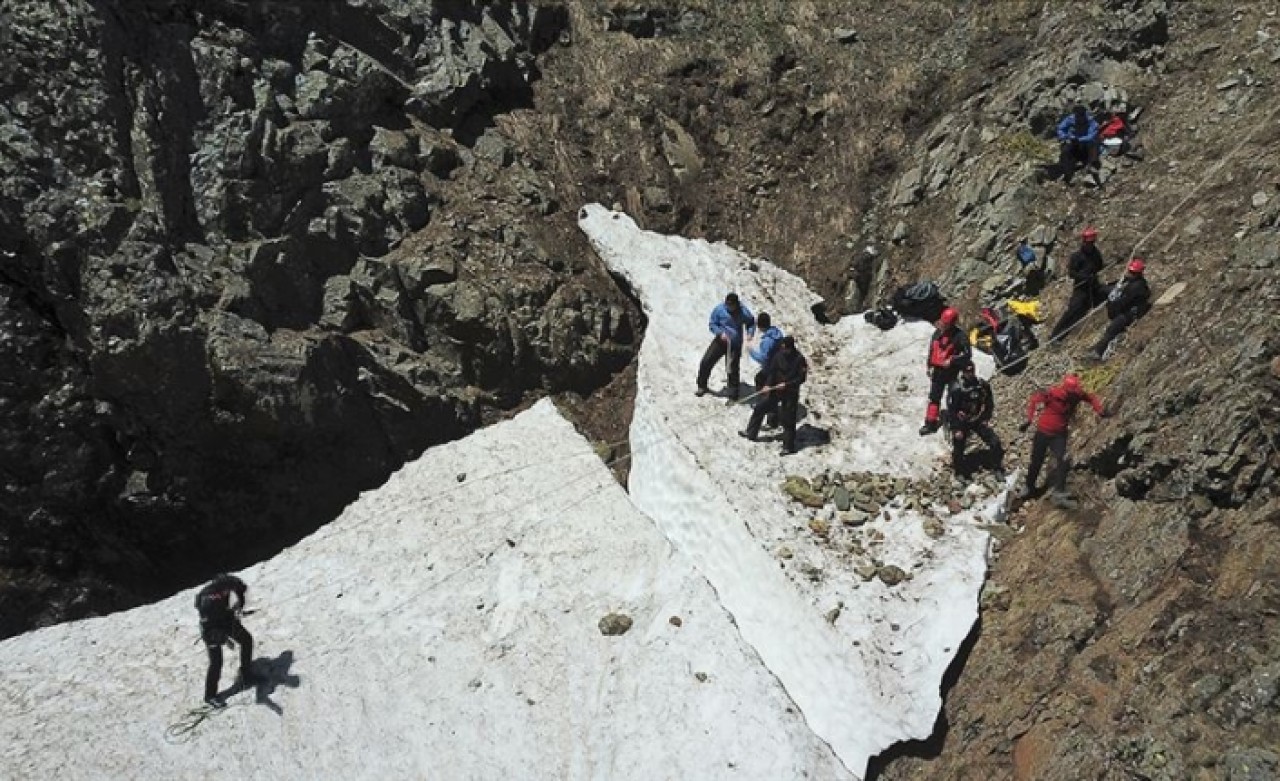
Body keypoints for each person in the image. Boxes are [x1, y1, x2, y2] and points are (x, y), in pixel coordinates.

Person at [1018, 373, 1106, 508]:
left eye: (1074, 391)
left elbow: (1090, 398)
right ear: (1065, 388)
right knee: (1036, 461)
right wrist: (1028, 420)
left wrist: (1099, 410)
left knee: (1062, 460)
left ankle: (1058, 493)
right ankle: (1029, 487)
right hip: (1043, 432)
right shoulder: (1053, 393)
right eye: (1070, 391)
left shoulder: (1076, 394)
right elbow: (1034, 400)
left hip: (1059, 435)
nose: (1072, 394)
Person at [196, 572, 259, 708]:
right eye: (223, 592)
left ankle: (246, 674)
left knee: (246, 640)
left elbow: (241, 588)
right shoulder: (206, 600)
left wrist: (240, 605)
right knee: (216, 662)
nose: (225, 593)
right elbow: (209, 627)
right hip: (211, 628)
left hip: (226, 618)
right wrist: (225, 639)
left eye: (227, 590)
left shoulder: (230, 582)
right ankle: (210, 696)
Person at [739, 336, 808, 455]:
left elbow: (801, 378)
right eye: (782, 348)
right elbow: (772, 372)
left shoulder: (799, 359)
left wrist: (787, 384)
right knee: (760, 408)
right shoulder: (778, 356)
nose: (784, 350)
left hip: (790, 393)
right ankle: (751, 432)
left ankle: (788, 447)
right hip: (776, 389)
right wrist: (767, 384)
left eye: (786, 349)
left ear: (791, 348)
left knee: (788, 419)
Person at [945, 358, 1003, 477]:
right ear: (963, 372)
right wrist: (956, 429)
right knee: (959, 445)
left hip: (977, 418)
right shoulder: (957, 388)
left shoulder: (982, 385)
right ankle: (959, 472)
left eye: (972, 371)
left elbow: (989, 403)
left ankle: (997, 468)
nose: (970, 374)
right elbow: (951, 411)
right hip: (962, 421)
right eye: (967, 372)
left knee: (995, 441)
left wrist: (986, 418)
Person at [1049, 227, 1106, 342]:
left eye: (1091, 242)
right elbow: (1072, 273)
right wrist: (1085, 277)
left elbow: (1100, 266)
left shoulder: (1096, 253)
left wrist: (1093, 276)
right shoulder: (1077, 256)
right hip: (1081, 287)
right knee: (1072, 310)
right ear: (1084, 242)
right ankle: (1055, 335)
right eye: (1088, 243)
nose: (1090, 245)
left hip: (1094, 285)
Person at [920, 307, 971, 435]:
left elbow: (967, 354)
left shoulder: (960, 336)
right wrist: (929, 366)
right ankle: (930, 423)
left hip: (953, 372)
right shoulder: (937, 333)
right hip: (938, 371)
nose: (943, 325)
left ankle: (956, 425)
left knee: (955, 398)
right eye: (943, 322)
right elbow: (932, 350)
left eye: (946, 323)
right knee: (934, 397)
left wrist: (952, 360)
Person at [1088, 258, 1152, 360]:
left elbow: (1124, 302)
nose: (1129, 274)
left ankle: (1098, 352)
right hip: (1125, 309)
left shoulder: (1137, 287)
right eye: (1130, 271)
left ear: (1137, 274)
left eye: (1132, 272)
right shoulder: (1130, 281)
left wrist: (1113, 302)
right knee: (1103, 291)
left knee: (1113, 328)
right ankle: (1097, 347)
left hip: (1130, 313)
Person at [696, 293, 756, 400]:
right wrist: (719, 333)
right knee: (706, 361)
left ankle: (733, 394)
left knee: (732, 368)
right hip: (721, 341)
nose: (729, 307)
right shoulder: (719, 310)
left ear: (737, 304)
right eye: (728, 305)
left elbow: (751, 322)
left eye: (732, 305)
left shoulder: (743, 312)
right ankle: (702, 386)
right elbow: (712, 324)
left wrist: (750, 333)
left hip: (735, 344)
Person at [748, 312, 785, 427]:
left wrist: (751, 351)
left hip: (771, 369)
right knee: (771, 390)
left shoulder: (767, 341)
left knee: (763, 385)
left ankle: (765, 409)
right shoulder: (777, 333)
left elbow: (763, 358)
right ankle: (772, 416)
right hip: (779, 367)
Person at [1055, 105, 1100, 184]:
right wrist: (1065, 136)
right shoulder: (1070, 119)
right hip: (1074, 144)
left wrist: (1079, 139)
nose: (1079, 118)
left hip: (1086, 146)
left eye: (1081, 115)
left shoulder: (1090, 121)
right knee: (1065, 152)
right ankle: (1068, 174)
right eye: (1077, 115)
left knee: (1093, 143)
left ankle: (1092, 165)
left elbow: (1091, 135)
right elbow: (1060, 129)